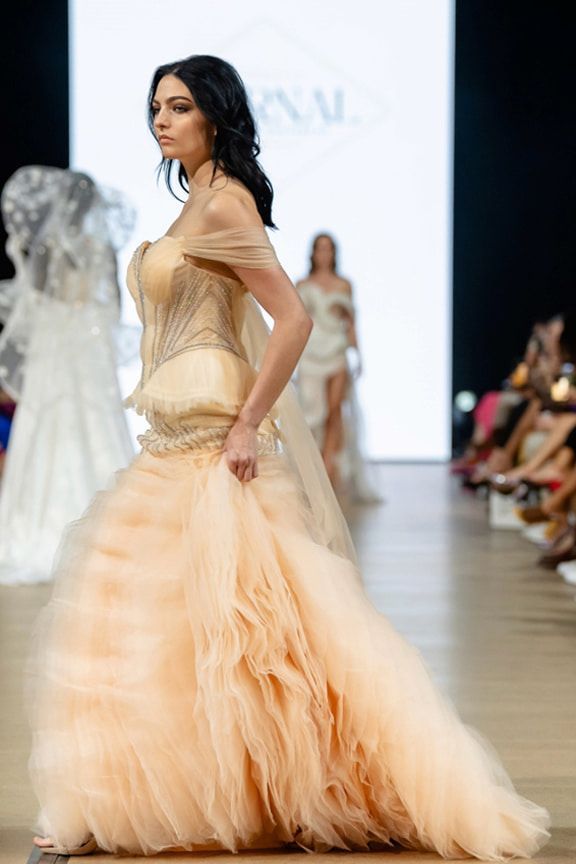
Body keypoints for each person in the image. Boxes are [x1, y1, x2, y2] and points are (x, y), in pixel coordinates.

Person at [31, 55, 549, 859]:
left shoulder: (224, 202)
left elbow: (295, 318)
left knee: (240, 622)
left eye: (179, 106)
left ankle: (293, 786)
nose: (162, 119)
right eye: (157, 106)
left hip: (212, 433)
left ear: (215, 117)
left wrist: (248, 424)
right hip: (174, 428)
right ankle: (145, 798)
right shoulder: (198, 198)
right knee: (162, 616)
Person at [0, 167, 135, 583]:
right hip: (87, 343)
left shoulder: (49, 246)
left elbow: (36, 299)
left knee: (48, 425)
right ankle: (112, 534)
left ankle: (38, 523)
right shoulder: (102, 246)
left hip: (56, 342)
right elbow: (111, 304)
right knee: (95, 424)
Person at [296, 233, 380, 501]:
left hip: (336, 349)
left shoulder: (344, 285)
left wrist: (358, 354)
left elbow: (351, 323)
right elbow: (296, 323)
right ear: (313, 252)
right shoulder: (302, 284)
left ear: (334, 252)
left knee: (335, 410)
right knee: (313, 411)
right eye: (320, 248)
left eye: (328, 248)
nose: (324, 253)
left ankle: (328, 464)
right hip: (310, 352)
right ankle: (314, 465)